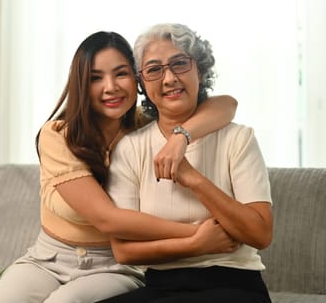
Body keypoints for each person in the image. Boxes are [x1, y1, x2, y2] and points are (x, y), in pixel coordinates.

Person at [0, 31, 238, 303]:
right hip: (47, 259)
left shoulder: (145, 128)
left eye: (121, 74)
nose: (110, 87)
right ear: (81, 84)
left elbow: (227, 104)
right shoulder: (59, 135)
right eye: (96, 78)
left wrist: (180, 136)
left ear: (138, 80)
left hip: (116, 266)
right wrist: (197, 236)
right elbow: (107, 218)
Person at [97, 23, 273, 303]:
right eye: (154, 69)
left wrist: (194, 179)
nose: (169, 79)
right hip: (160, 287)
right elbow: (124, 251)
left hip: (234, 284)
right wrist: (195, 243)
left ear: (199, 71)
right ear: (142, 83)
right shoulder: (130, 147)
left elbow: (260, 233)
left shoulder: (238, 138)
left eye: (179, 64)